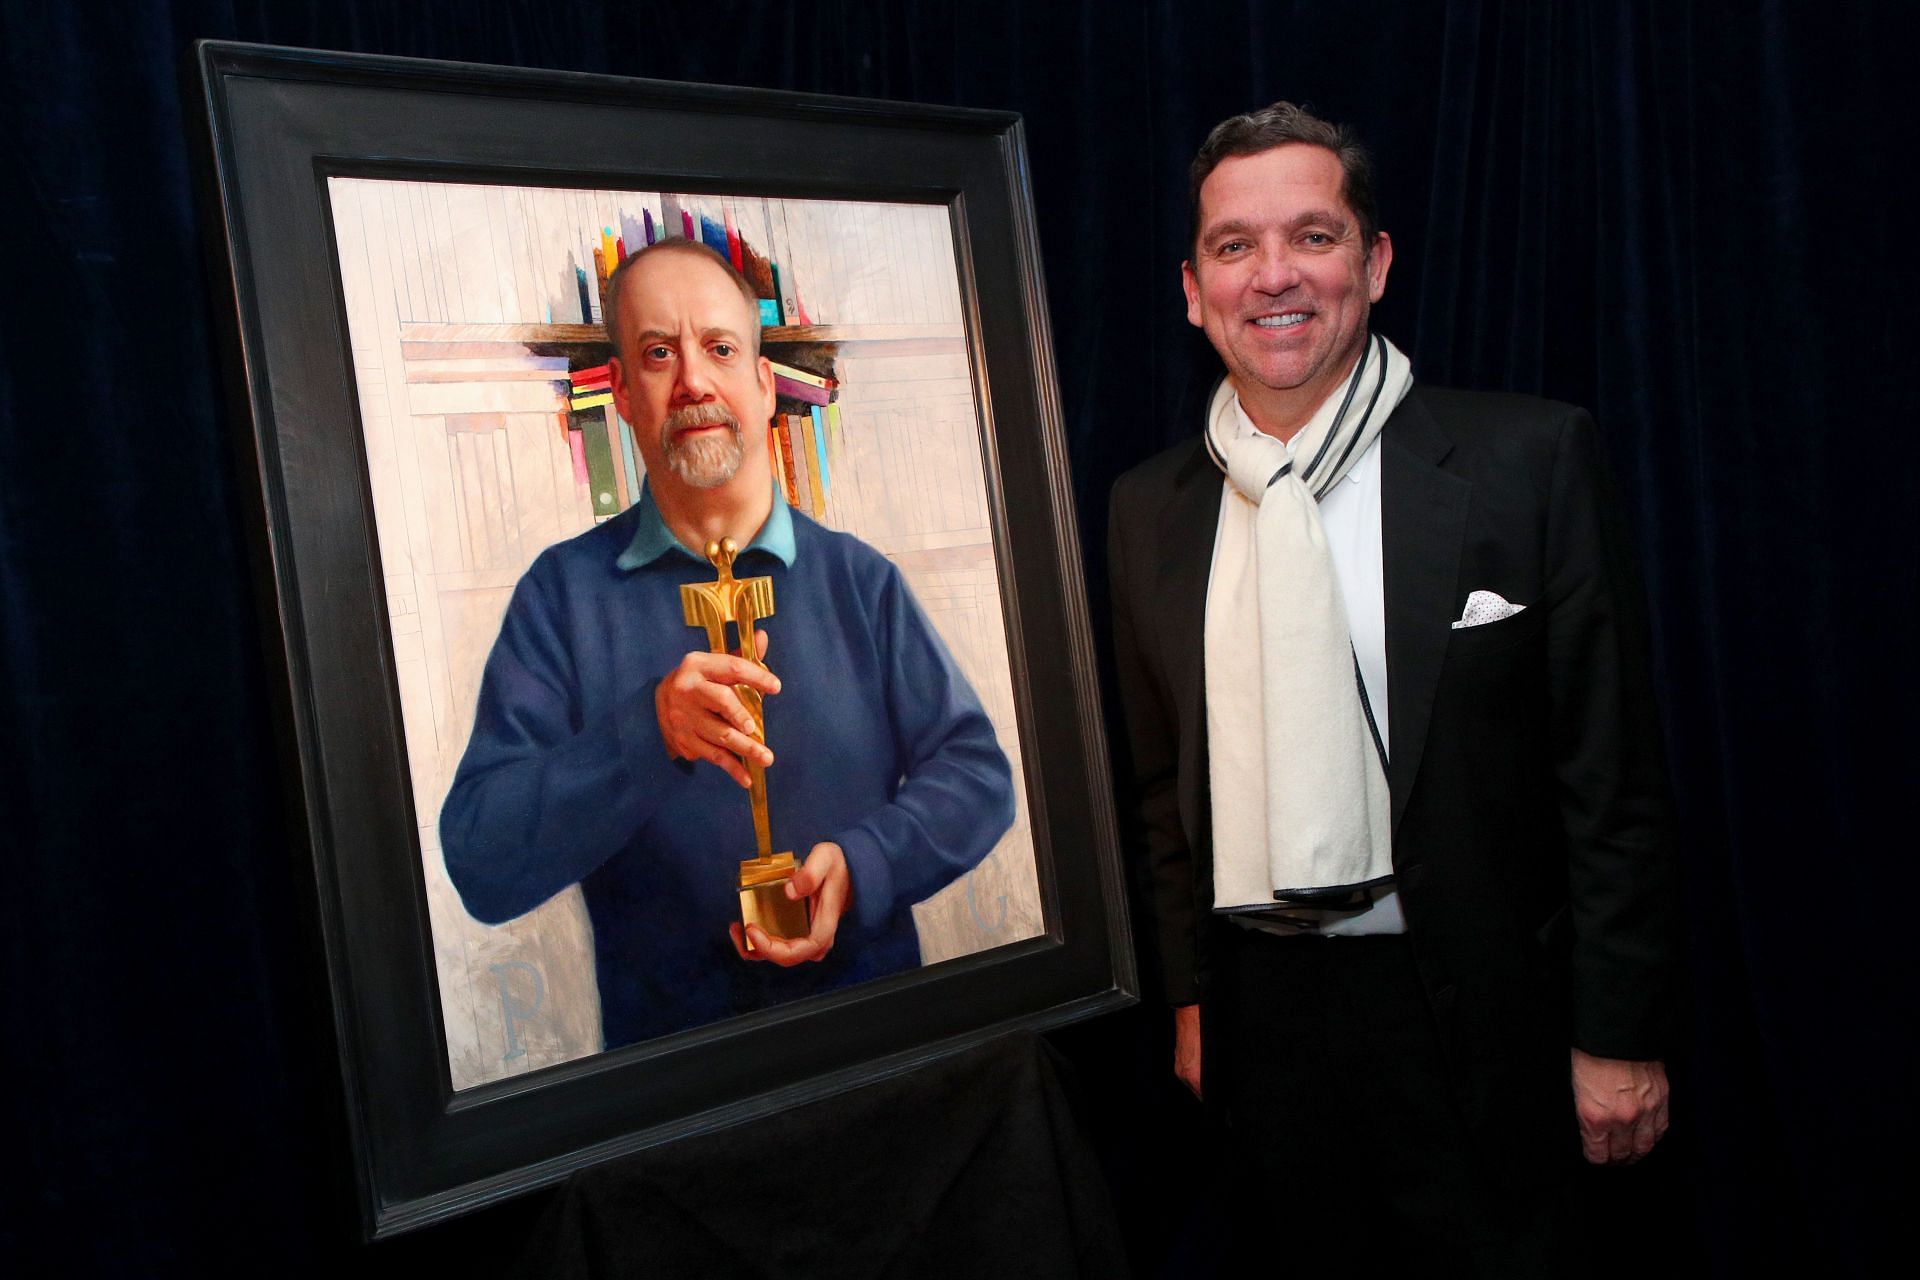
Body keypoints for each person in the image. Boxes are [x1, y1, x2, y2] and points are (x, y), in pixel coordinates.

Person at [1106, 102, 1678, 1267]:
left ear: (1373, 265)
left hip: (1479, 1014)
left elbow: (1609, 778)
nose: (1274, 275)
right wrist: (1191, 1000)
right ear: (1190, 286)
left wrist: (1618, 1034)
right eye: (1235, 245)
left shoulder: (1528, 461)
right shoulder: (1145, 509)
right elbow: (1162, 791)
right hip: (1261, 1020)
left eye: (1313, 237)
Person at [441, 239, 1014, 1049]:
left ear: (762, 383)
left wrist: (863, 866)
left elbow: (978, 776)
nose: (694, 383)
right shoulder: (561, 597)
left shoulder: (859, 579)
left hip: (882, 1061)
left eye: (719, 348)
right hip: (675, 1100)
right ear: (625, 397)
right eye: (657, 354)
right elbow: (481, 861)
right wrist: (648, 734)